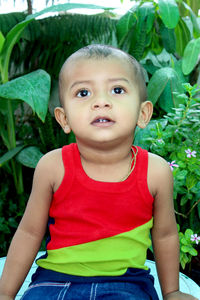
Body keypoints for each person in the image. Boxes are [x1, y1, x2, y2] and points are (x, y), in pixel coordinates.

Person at [0, 44, 197, 300]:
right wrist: (5, 294)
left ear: (143, 112)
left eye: (117, 90)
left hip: (126, 285)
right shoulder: (53, 166)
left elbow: (165, 234)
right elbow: (29, 232)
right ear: (64, 119)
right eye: (83, 92)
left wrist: (171, 291)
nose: (100, 102)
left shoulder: (155, 172)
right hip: (54, 283)